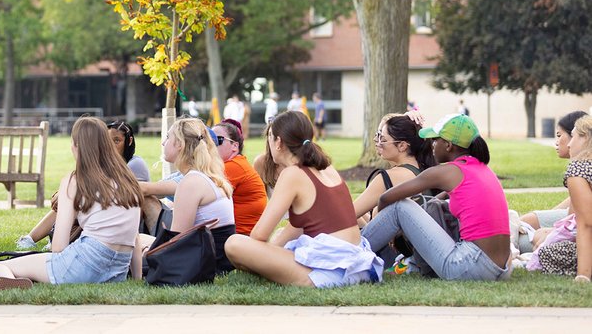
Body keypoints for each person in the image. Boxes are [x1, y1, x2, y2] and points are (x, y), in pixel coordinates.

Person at [0, 118, 141, 290]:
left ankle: (10, 280)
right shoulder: (129, 180)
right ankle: (20, 279)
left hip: (82, 264)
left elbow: (58, 247)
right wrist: (138, 279)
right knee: (32, 261)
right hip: (118, 270)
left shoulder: (75, 180)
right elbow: (135, 237)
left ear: (76, 146)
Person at [224, 111, 382, 288]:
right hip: (357, 263)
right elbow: (299, 226)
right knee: (274, 241)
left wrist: (264, 252)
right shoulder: (325, 166)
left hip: (329, 272)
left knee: (234, 244)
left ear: (278, 142)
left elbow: (259, 235)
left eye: (270, 137)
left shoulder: (292, 174)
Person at [362, 114, 511, 281]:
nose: (431, 145)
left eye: (435, 140)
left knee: (400, 206)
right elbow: (438, 201)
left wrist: (389, 229)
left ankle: (353, 255)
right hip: (501, 269)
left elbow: (385, 199)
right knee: (435, 205)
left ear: (447, 145)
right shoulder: (481, 169)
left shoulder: (447, 172)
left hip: (470, 266)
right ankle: (410, 264)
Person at [16, 119, 151, 249]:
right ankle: (32, 239)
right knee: (72, 202)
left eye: (117, 141)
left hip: (118, 223)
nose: (111, 145)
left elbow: (123, 193)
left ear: (129, 141)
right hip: (102, 213)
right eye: (108, 141)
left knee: (77, 203)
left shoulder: (135, 164)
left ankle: (51, 240)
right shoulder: (104, 164)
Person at [154, 118, 236, 273]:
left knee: (138, 245)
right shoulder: (206, 176)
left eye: (167, 138)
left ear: (179, 144)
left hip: (206, 263)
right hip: (217, 259)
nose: (163, 143)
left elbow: (177, 241)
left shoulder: (192, 181)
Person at [520, 111, 589, 231]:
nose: (556, 142)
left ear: (579, 136)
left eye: (559, 135)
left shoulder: (578, 171)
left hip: (574, 236)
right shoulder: (581, 170)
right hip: (575, 232)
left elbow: (576, 225)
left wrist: (547, 234)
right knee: (523, 224)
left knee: (524, 226)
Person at [212, 119, 268, 236]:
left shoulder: (234, 166)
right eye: (209, 141)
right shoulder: (236, 163)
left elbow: (194, 189)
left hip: (241, 241)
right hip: (238, 237)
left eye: (218, 140)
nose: (212, 145)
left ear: (234, 146)